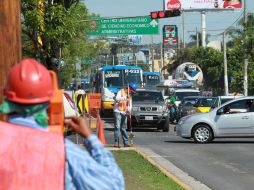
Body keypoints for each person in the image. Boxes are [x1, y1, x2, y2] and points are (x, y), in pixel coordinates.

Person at [0, 58, 124, 190]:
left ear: (6, 97)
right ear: (51, 100)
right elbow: (114, 184)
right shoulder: (64, 152)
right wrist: (90, 138)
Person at [113, 83, 137, 147]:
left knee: (123, 128)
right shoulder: (120, 92)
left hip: (124, 112)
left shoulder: (130, 96)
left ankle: (125, 143)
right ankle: (116, 142)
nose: (132, 93)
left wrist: (129, 110)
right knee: (117, 127)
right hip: (117, 111)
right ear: (129, 88)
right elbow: (116, 98)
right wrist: (125, 98)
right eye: (131, 91)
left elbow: (130, 105)